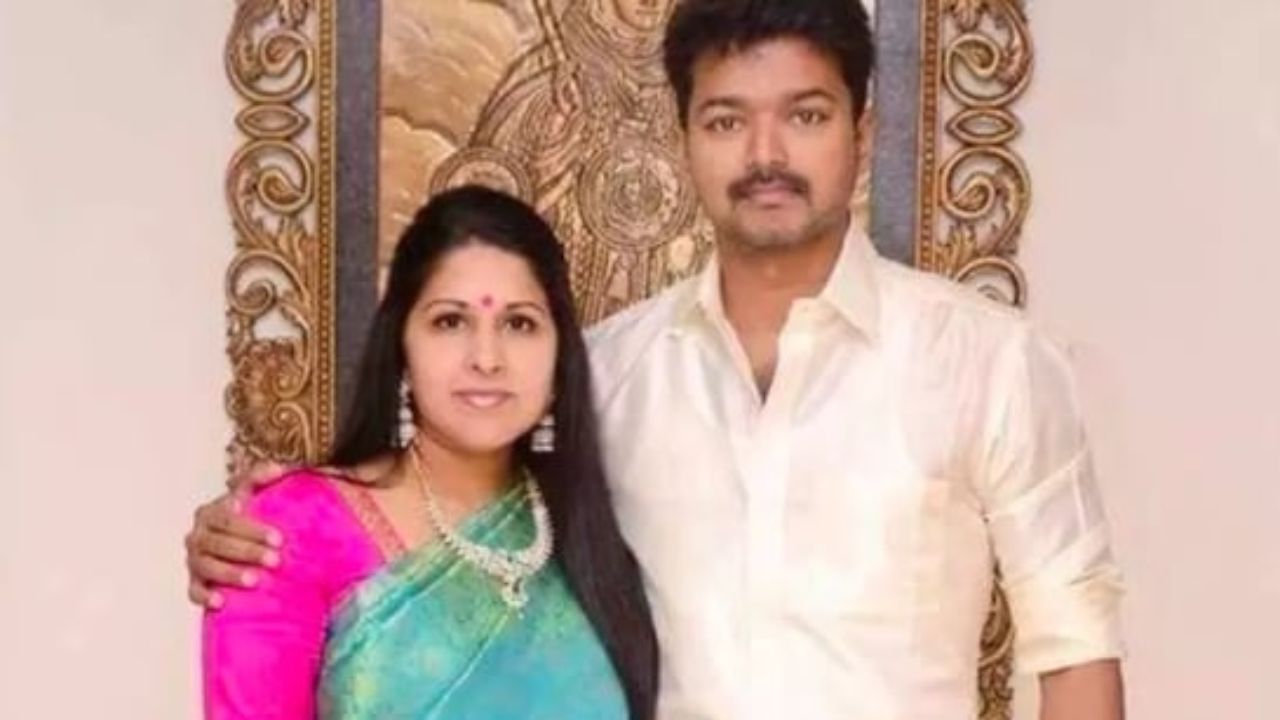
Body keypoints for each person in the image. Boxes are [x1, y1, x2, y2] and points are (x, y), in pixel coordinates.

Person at [189, 1, 1126, 717]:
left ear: (863, 128)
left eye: (805, 115)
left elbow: (1076, 653)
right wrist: (261, 530)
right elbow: (446, 520)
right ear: (683, 140)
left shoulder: (992, 363)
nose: (765, 154)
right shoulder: (606, 377)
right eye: (725, 121)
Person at [201, 185, 658, 719]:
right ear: (401, 346)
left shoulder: (596, 528)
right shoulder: (290, 529)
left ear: (559, 356)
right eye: (450, 321)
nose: (486, 358)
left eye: (519, 324)